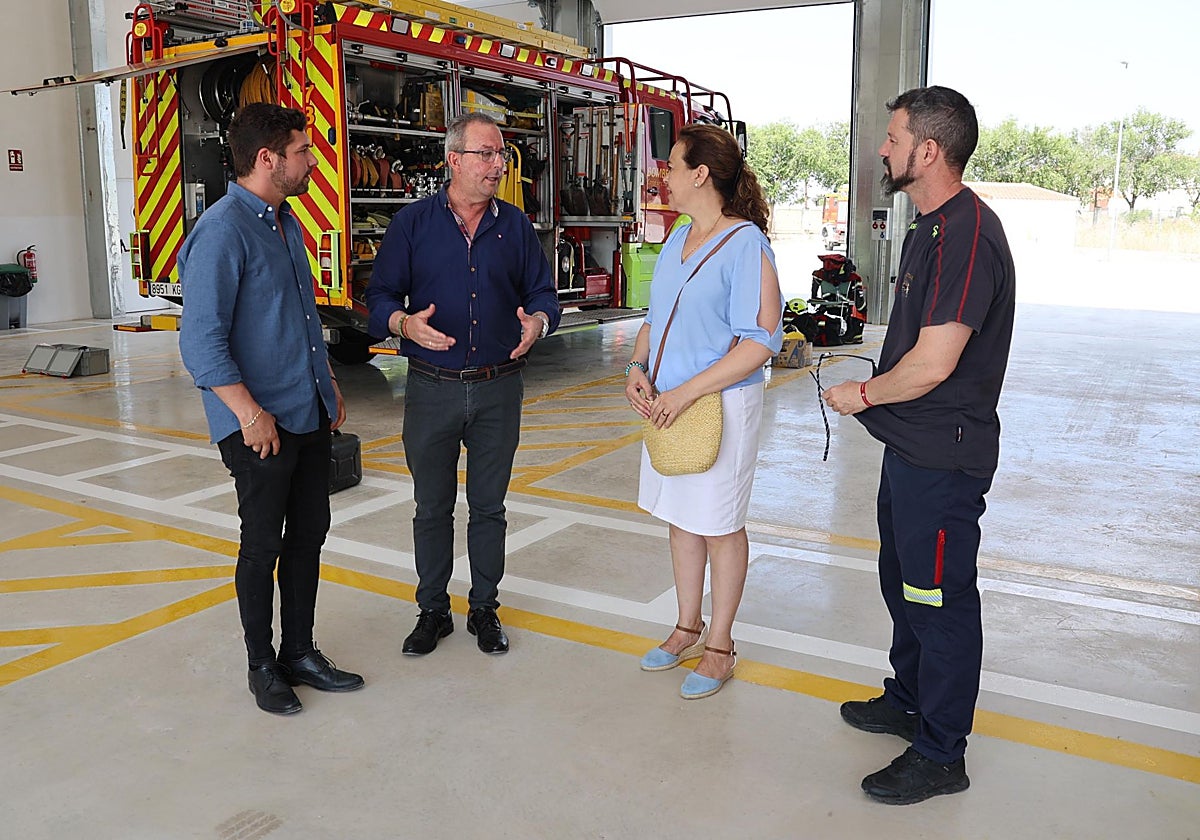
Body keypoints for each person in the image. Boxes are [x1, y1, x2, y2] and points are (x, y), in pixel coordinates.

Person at [823, 86, 1016, 804]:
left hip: (944, 456)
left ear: (928, 151)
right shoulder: (927, 232)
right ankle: (907, 699)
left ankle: (941, 752)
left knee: (938, 599)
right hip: (910, 448)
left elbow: (935, 363)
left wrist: (861, 394)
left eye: (894, 137)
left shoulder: (968, 234)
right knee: (903, 584)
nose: (882, 148)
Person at [178, 103, 364, 716]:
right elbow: (200, 339)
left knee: (309, 534)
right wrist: (248, 413)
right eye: (303, 151)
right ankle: (263, 667)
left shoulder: (285, 223)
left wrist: (327, 382)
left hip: (304, 410)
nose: (312, 161)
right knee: (263, 546)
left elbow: (301, 320)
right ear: (268, 159)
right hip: (259, 426)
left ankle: (300, 652)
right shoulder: (222, 229)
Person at [366, 112, 560, 657]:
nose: (499, 164)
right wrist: (403, 324)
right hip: (431, 387)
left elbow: (545, 294)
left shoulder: (516, 227)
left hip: (499, 387)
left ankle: (484, 608)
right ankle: (432, 610)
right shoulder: (412, 225)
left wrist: (538, 323)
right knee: (431, 507)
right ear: (455, 160)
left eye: (501, 154)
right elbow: (380, 297)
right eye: (487, 154)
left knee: (489, 507)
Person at [624, 124, 783, 700]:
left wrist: (685, 392)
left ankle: (720, 644)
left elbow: (758, 342)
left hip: (718, 406)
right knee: (682, 516)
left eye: (670, 165)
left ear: (700, 174)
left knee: (719, 524)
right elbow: (652, 321)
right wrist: (636, 369)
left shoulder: (746, 245)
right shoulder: (677, 239)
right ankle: (686, 626)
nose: (661, 175)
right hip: (666, 402)